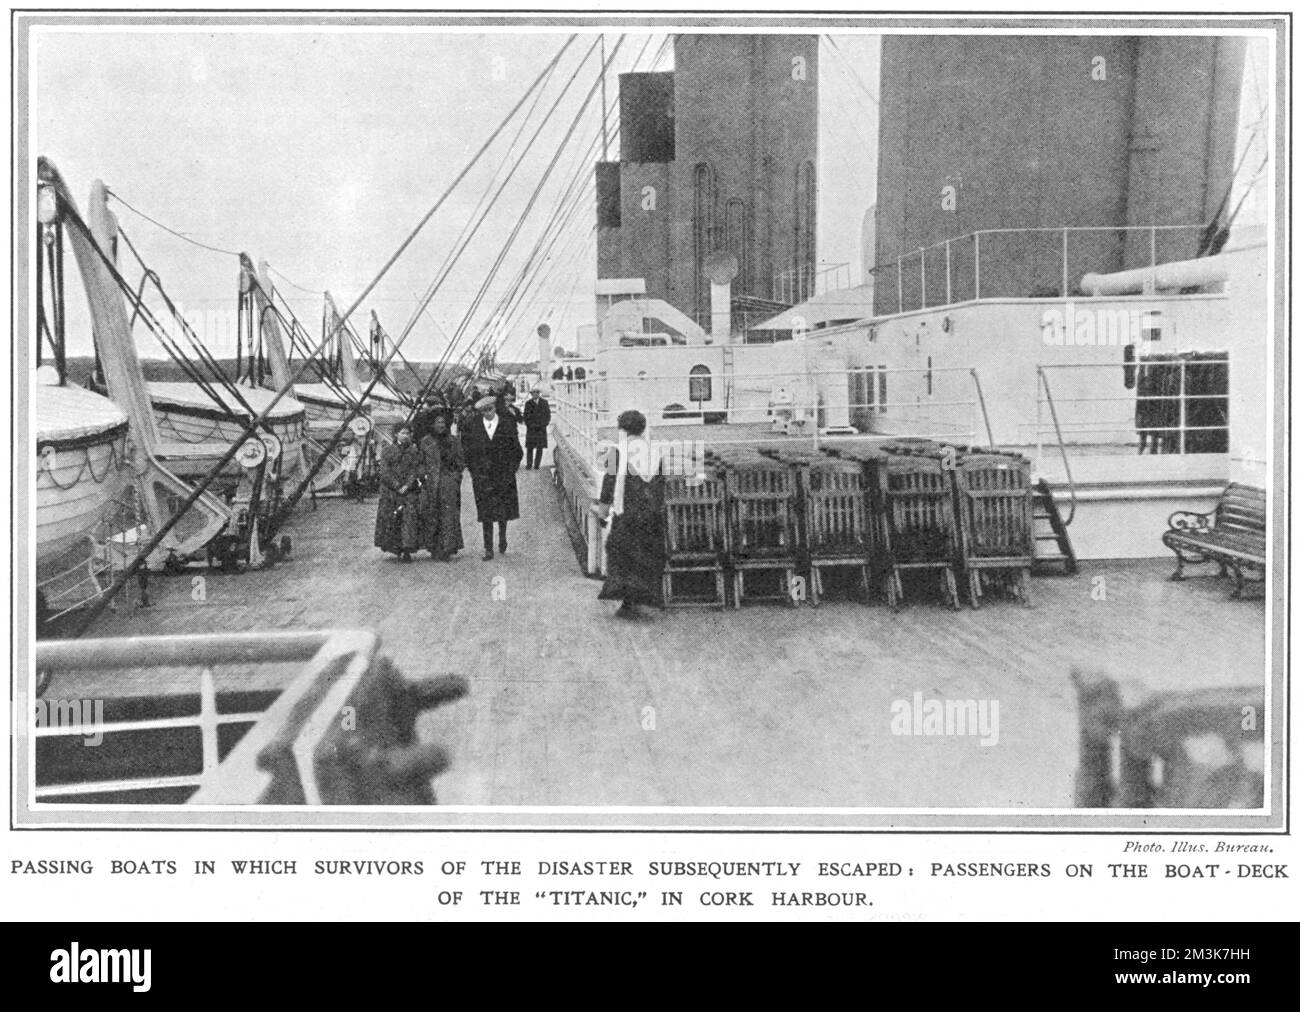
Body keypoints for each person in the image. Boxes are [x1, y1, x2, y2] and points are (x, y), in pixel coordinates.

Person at [598, 409, 666, 618]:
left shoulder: (616, 453)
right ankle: (647, 597)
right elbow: (660, 486)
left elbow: (608, 486)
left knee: (621, 555)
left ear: (623, 430)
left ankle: (627, 602)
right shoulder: (655, 453)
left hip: (626, 515)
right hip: (649, 516)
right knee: (645, 555)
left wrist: (603, 513)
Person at [461, 393, 523, 560]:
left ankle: (502, 538)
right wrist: (475, 473)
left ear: (495, 408)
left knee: (503, 511)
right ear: (480, 412)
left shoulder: (507, 425)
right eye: (484, 411)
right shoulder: (473, 427)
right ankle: (488, 548)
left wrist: (511, 470)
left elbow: (517, 451)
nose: (488, 413)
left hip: (504, 476)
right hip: (483, 478)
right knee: (486, 513)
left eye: (490, 409)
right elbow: (468, 453)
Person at [374, 424, 425, 562]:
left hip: (409, 490)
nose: (406, 435)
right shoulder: (387, 450)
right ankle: (396, 548)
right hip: (391, 491)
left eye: (408, 433)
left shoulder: (414, 451)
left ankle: (407, 550)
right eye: (402, 433)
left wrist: (407, 485)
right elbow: (384, 471)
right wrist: (397, 486)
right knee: (393, 519)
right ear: (396, 434)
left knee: (409, 520)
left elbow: (415, 469)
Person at [418, 412, 465, 560]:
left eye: (443, 423)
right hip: (431, 483)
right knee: (431, 515)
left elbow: (460, 462)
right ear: (432, 425)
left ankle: (447, 548)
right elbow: (420, 462)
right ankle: (433, 547)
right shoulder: (425, 441)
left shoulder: (453, 441)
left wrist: (455, 478)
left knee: (448, 516)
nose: (440, 426)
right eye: (438, 423)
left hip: (448, 484)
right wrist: (422, 475)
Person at [522, 387, 551, 470]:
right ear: (531, 394)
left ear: (539, 393)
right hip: (531, 429)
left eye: (537, 392)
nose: (535, 394)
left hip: (541, 429)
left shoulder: (544, 403)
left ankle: (537, 465)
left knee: (539, 448)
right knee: (530, 448)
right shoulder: (528, 403)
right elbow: (526, 416)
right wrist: (530, 425)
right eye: (533, 392)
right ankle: (529, 464)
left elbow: (547, 415)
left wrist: (544, 424)